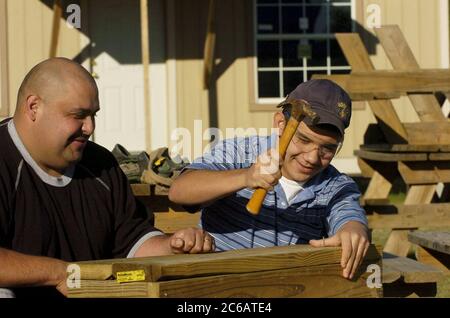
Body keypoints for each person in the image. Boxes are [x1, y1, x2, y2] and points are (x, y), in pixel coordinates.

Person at [0, 58, 214, 298]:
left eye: (93, 115)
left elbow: (132, 240)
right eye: (78, 115)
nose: (90, 127)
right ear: (33, 107)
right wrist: (59, 273)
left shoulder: (101, 165)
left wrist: (174, 245)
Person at [169, 79, 369, 280]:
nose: (312, 157)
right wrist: (246, 177)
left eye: (328, 148)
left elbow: (349, 216)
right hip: (219, 283)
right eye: (304, 140)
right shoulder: (238, 153)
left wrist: (353, 230)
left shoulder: (335, 186)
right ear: (280, 123)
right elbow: (179, 191)